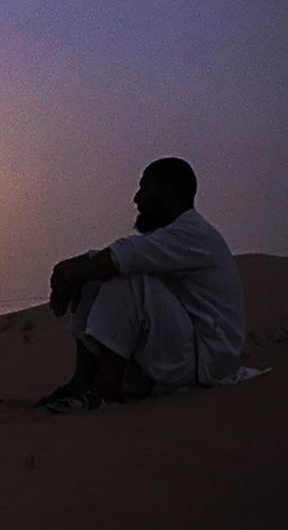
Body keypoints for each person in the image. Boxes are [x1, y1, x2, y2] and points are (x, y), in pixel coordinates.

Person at [38, 157, 245, 412]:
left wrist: (69, 276)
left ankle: (106, 391)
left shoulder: (192, 233)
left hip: (206, 362)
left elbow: (121, 258)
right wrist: (70, 273)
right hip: (178, 354)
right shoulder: (169, 238)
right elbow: (113, 257)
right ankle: (81, 383)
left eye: (145, 189)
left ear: (167, 193)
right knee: (94, 279)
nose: (137, 199)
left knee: (124, 276)